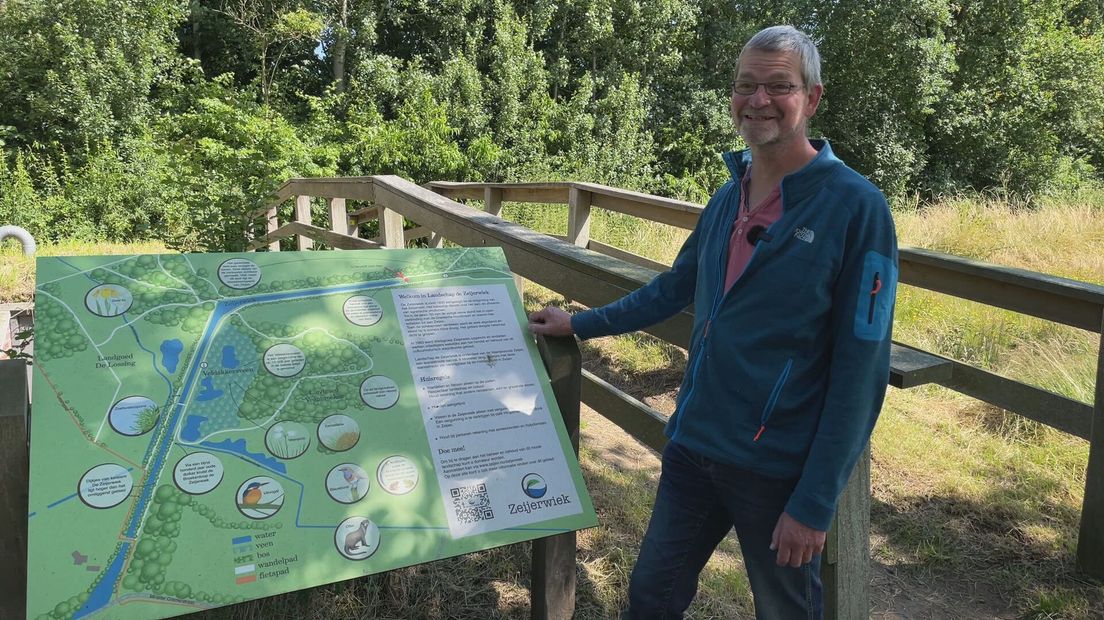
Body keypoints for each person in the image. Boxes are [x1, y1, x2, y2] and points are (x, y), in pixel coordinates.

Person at [528, 25, 898, 619]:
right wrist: (581, 324)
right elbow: (675, 287)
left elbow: (862, 369)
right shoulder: (731, 194)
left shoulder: (856, 208)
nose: (758, 100)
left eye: (779, 86)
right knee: (652, 594)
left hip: (776, 467)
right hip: (694, 446)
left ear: (813, 97)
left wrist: (815, 501)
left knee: (786, 612)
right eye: (745, 85)